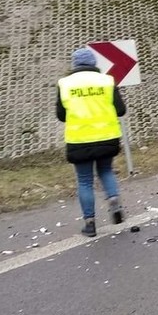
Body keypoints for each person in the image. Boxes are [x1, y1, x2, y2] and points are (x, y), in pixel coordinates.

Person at [56, 47, 127, 237]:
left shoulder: (65, 84)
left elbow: (61, 115)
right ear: (94, 63)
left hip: (79, 139)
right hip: (107, 136)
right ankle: (113, 200)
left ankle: (90, 223)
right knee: (105, 170)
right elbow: (121, 110)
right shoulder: (107, 81)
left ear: (75, 65)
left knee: (85, 180)